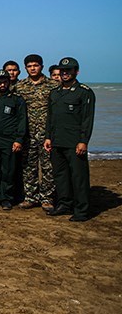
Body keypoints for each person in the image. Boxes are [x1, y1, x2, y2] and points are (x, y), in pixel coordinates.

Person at [44, 57, 95, 222]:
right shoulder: (55, 93)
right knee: (60, 176)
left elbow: (87, 119)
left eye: (69, 70)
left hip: (74, 143)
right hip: (57, 141)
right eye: (62, 71)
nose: (65, 73)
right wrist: (48, 137)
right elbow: (50, 118)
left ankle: (82, 210)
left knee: (78, 177)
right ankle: (64, 205)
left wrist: (83, 141)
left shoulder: (84, 92)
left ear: (76, 71)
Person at [15, 54, 58, 211]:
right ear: (25, 68)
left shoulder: (53, 85)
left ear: (42, 66)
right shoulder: (20, 86)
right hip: (27, 134)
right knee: (28, 167)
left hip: (47, 135)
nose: (33, 68)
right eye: (29, 66)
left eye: (36, 65)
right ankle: (31, 197)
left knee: (48, 167)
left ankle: (47, 198)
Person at [0, 70, 27, 210]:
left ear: (9, 82)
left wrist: (19, 140)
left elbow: (22, 121)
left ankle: (6, 198)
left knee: (8, 171)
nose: (2, 84)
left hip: (9, 140)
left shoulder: (16, 99)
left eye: (4, 82)